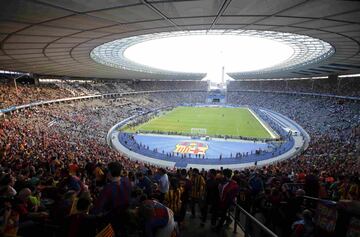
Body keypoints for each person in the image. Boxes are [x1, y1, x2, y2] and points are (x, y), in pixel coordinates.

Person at [93, 161, 132, 236]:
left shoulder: (108, 189)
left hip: (111, 219)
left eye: (107, 171)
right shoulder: (127, 180)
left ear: (110, 173)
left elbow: (97, 209)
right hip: (124, 215)